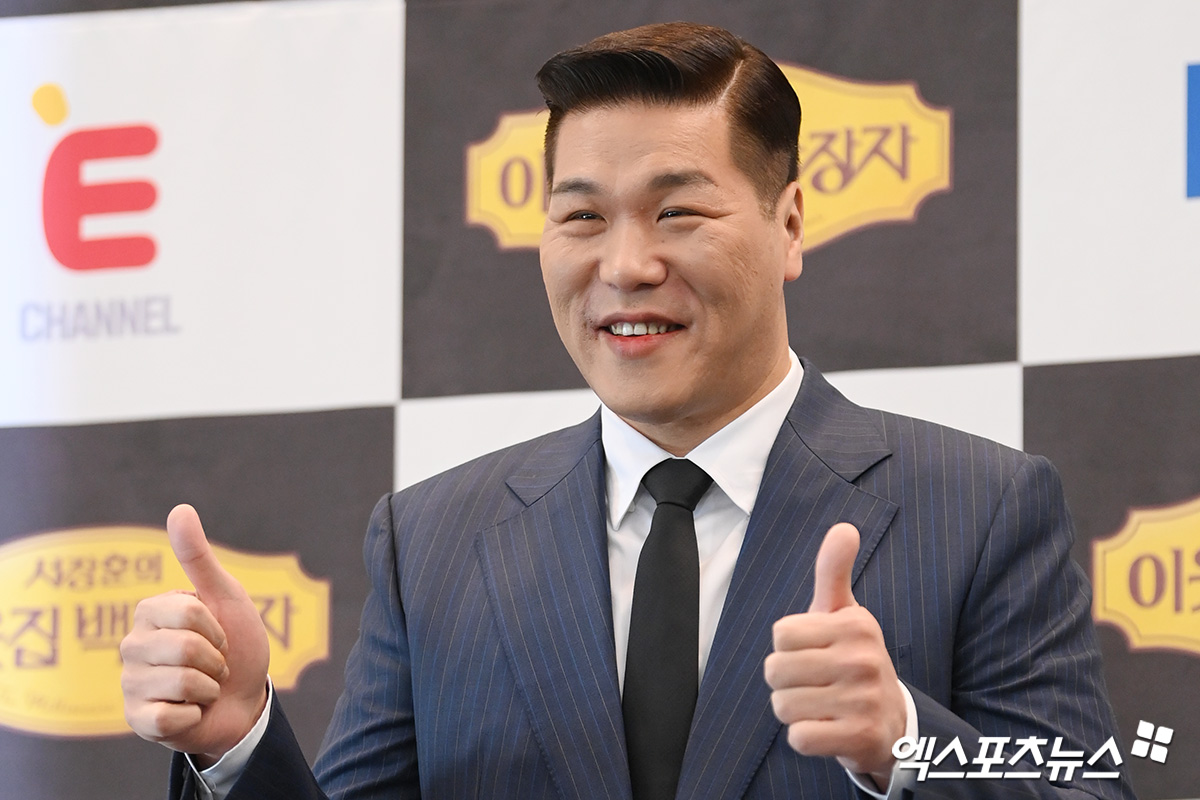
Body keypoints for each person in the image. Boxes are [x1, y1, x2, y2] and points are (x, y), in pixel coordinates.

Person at [120, 22, 1134, 800]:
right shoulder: (430, 541)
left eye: (677, 211)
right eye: (582, 216)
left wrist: (907, 739)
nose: (626, 264)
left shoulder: (983, 505)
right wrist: (239, 739)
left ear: (788, 224)